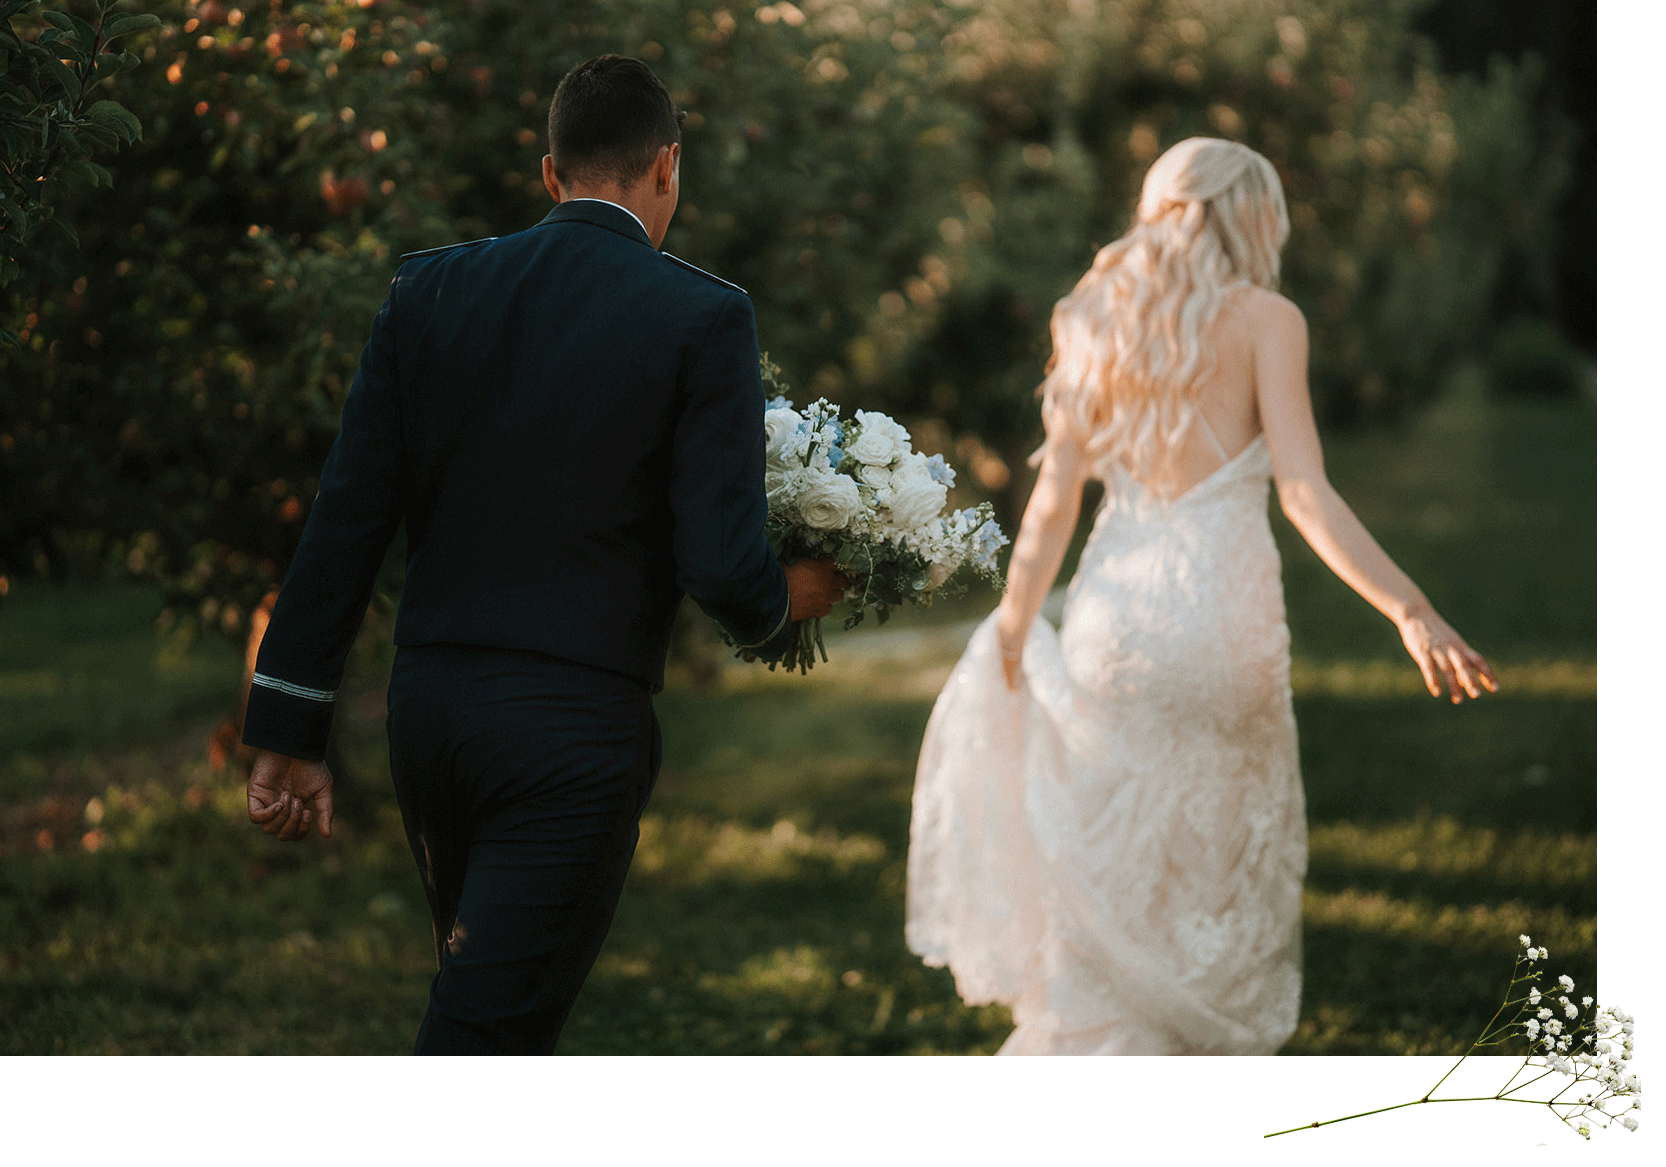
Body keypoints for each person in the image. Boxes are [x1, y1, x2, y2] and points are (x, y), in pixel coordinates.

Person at [240, 54, 845, 1054]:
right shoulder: (704, 316)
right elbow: (723, 570)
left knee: (485, 1010)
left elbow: (344, 524)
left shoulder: (426, 294)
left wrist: (289, 727)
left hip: (428, 719)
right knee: (486, 1040)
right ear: (667, 169)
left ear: (551, 175)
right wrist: (789, 595)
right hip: (570, 736)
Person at [905, 137, 1497, 1055]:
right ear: (1248, 214)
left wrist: (1018, 624)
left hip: (1119, 619)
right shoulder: (1269, 320)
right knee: (1215, 856)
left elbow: (1054, 498)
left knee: (1119, 853)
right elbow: (1305, 491)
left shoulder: (1091, 312)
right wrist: (1409, 606)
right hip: (1225, 616)